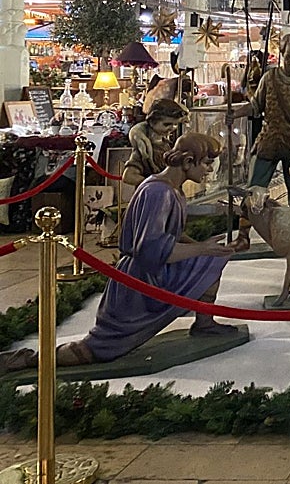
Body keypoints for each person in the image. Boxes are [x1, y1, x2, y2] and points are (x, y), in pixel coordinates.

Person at [2, 134, 238, 372]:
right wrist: (202, 248)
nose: (209, 170)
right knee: (97, 350)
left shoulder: (173, 191)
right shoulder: (158, 192)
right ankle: (26, 360)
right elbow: (151, 250)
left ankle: (205, 323)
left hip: (152, 273)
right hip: (138, 282)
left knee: (211, 260)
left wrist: (206, 246)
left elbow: (170, 236)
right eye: (207, 162)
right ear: (188, 162)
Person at [233, 33, 290, 210]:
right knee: (253, 190)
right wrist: (235, 113)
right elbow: (255, 106)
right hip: (269, 141)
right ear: (282, 54)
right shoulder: (269, 78)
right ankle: (244, 234)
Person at [122, 98, 190, 187]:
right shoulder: (145, 149)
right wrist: (157, 184)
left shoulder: (167, 144)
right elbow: (128, 176)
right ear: (152, 122)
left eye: (175, 124)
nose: (172, 128)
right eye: (167, 124)